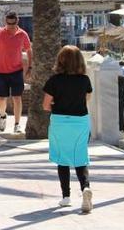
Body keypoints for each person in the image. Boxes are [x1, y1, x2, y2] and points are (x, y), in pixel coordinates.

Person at [43, 45, 94, 213]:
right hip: (80, 122)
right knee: (80, 157)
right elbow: (86, 100)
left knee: (62, 158)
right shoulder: (85, 80)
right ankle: (85, 187)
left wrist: (57, 105)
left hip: (60, 121)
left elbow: (45, 105)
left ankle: (66, 197)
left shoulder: (54, 80)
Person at [0, 11, 33, 133]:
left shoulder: (22, 34)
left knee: (17, 97)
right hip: (1, 71)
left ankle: (17, 123)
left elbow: (29, 50)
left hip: (17, 71)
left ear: (17, 21)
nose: (10, 26)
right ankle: (3, 115)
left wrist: (30, 67)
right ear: (5, 22)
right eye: (8, 23)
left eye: (13, 24)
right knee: (1, 98)